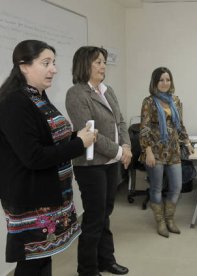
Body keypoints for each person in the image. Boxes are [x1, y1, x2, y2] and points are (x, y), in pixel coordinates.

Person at [0, 40, 95, 276]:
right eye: (46, 63)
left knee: (42, 260)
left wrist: (77, 137)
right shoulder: (14, 102)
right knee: (32, 263)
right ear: (23, 66)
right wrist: (79, 144)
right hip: (31, 200)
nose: (54, 69)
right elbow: (34, 156)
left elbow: (50, 138)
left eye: (53, 62)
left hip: (48, 195)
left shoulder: (38, 97)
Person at [65, 46, 132, 276]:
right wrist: (118, 151)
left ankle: (106, 260)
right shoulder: (76, 93)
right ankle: (87, 269)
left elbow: (120, 122)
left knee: (105, 215)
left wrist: (126, 146)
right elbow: (90, 133)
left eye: (104, 62)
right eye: (98, 62)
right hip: (90, 165)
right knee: (94, 218)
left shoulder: (107, 90)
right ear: (85, 65)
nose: (103, 66)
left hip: (111, 163)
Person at [139, 67, 193, 238]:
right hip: (155, 151)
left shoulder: (175, 101)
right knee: (156, 188)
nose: (165, 83)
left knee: (176, 187)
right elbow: (144, 128)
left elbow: (180, 125)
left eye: (167, 79)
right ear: (155, 82)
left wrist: (187, 142)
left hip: (173, 150)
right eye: (161, 80)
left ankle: (170, 219)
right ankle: (160, 221)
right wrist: (147, 151)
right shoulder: (148, 102)